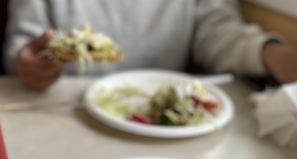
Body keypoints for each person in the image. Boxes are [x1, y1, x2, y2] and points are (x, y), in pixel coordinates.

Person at [4, 0, 297, 91]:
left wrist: (270, 53)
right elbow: (19, 47)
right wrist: (27, 62)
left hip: (163, 124)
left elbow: (217, 31)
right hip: (60, 110)